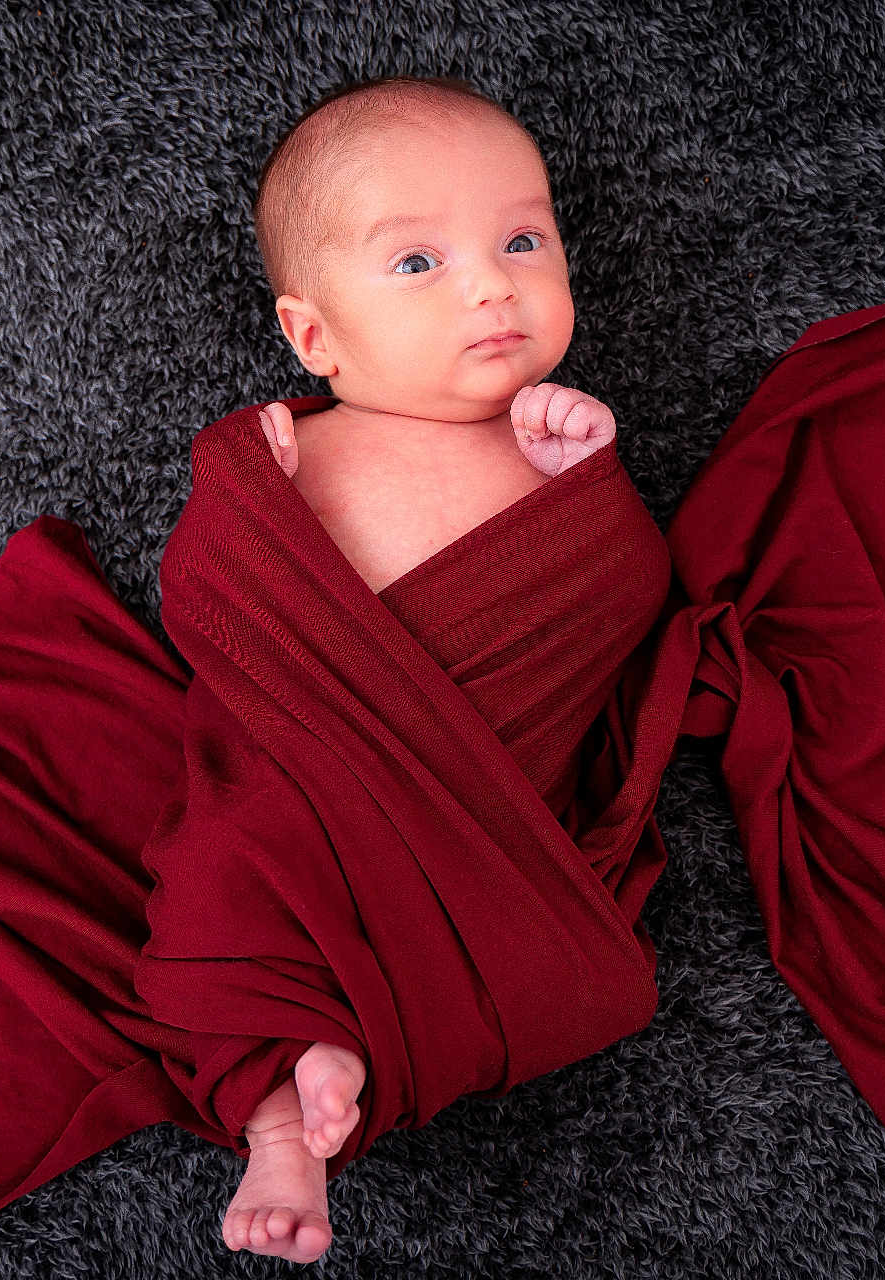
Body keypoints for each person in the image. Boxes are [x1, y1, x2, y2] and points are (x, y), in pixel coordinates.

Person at [223, 73, 616, 1263]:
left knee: (575, 979)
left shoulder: (551, 446)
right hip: (303, 776)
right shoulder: (286, 454)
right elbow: (216, 605)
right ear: (313, 335)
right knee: (219, 887)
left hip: (474, 813)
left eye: (520, 238)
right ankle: (281, 1116)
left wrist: (586, 495)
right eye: (417, 263)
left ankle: (327, 1068)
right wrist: (249, 503)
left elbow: (621, 602)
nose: (492, 281)